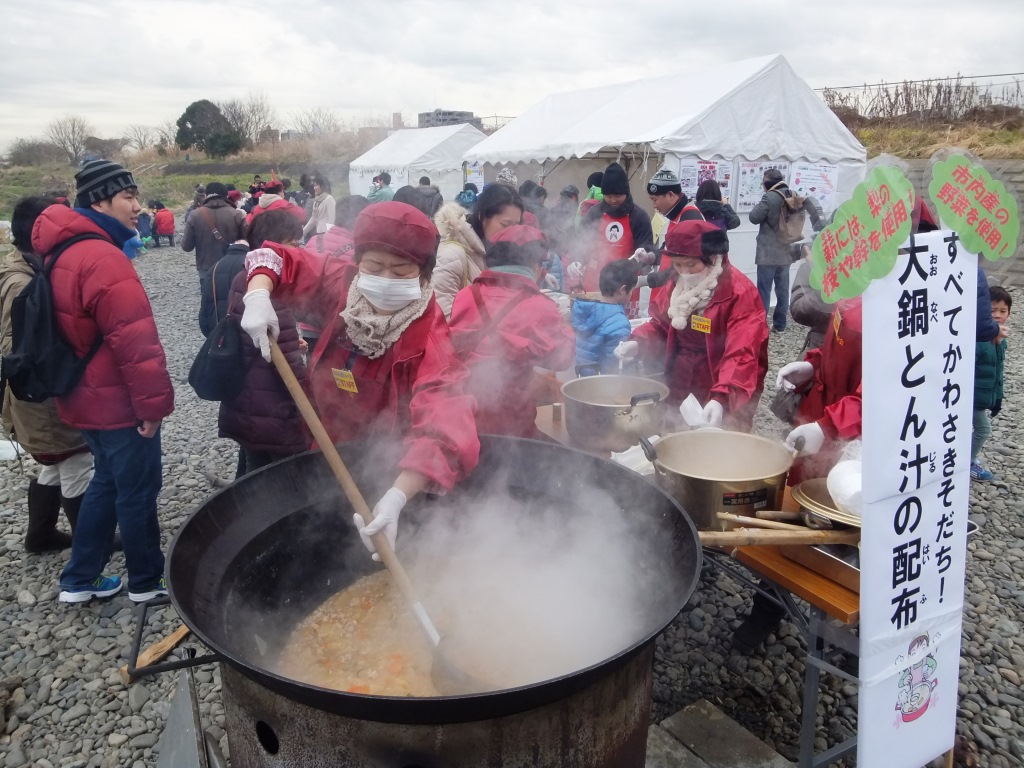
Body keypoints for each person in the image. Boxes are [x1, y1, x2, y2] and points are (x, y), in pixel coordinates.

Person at [239, 202, 479, 561]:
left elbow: (445, 426)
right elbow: (276, 260)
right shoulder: (342, 284)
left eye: (401, 272)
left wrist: (397, 498)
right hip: (326, 449)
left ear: (424, 276)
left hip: (392, 468)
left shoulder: (430, 338)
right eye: (374, 266)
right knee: (323, 548)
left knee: (378, 550)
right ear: (357, 263)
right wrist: (258, 293)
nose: (385, 280)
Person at [31, 159, 175, 603]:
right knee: (137, 490)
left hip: (82, 397)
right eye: (128, 197)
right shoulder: (102, 256)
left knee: (107, 483)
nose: (137, 207)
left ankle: (80, 578)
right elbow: (136, 343)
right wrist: (152, 408)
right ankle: (147, 581)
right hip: (116, 405)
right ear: (100, 200)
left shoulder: (62, 250)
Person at [1, 196, 94, 554]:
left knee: (53, 464)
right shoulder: (20, 284)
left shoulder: (21, 269)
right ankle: (91, 545)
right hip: (39, 395)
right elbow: (20, 348)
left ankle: (40, 534)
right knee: (75, 461)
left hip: (30, 393)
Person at [615, 220, 768, 431]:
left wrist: (722, 397)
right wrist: (638, 342)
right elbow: (661, 324)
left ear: (712, 258)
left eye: (691, 264)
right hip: (680, 375)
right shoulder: (676, 284)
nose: (684, 272)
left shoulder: (739, 293)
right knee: (675, 432)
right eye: (677, 264)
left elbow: (742, 353)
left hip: (718, 376)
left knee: (714, 442)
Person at [448, 225, 575, 437]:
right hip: (513, 424)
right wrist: (566, 328)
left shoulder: (466, 295)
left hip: (462, 418)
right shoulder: (540, 305)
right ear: (534, 265)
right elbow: (561, 359)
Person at [219, 211, 308, 477]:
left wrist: (292, 339)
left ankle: (237, 512)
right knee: (280, 480)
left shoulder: (243, 276)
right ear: (276, 244)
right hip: (273, 407)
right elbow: (289, 367)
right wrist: (313, 401)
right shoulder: (272, 290)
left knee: (252, 470)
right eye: (294, 242)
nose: (299, 249)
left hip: (245, 397)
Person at [748, 168, 824, 333]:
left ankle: (761, 325)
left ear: (768, 183)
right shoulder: (793, 193)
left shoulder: (769, 197)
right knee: (782, 290)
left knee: (764, 290)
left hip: (767, 253)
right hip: (787, 250)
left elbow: (754, 217)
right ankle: (780, 325)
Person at [433, 184, 524, 318]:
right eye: (505, 225)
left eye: (516, 225)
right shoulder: (451, 255)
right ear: (482, 217)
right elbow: (442, 320)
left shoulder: (497, 252)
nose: (512, 232)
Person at [575, 162, 655, 315]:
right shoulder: (594, 213)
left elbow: (647, 248)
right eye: (608, 196)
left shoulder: (639, 216)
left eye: (617, 196)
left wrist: (645, 256)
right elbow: (581, 241)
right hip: (596, 281)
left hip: (626, 285)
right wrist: (577, 260)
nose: (613, 200)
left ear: (626, 193)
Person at [971, 285, 1011, 481]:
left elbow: (997, 374)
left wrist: (996, 399)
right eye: (992, 310)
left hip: (983, 396)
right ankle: (967, 462)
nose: (997, 315)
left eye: (1002, 311)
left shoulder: (1001, 340)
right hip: (971, 397)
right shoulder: (977, 339)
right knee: (983, 429)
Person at [571, 260, 637, 375]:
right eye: (631, 290)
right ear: (622, 290)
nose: (631, 294)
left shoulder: (584, 310)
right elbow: (616, 365)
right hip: (603, 385)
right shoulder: (619, 323)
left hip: (583, 377)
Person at [181, 181, 248, 287]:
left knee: (209, 301)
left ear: (206, 195)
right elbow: (247, 242)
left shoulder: (195, 215)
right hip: (233, 267)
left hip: (206, 268)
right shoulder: (237, 214)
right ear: (226, 196)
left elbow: (186, 246)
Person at [301, 173, 336, 241]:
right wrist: (302, 233)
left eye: (316, 185)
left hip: (325, 234)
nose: (314, 188)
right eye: (314, 185)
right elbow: (314, 218)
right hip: (319, 233)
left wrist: (328, 236)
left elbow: (332, 219)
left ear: (323, 186)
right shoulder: (317, 200)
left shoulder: (329, 199)